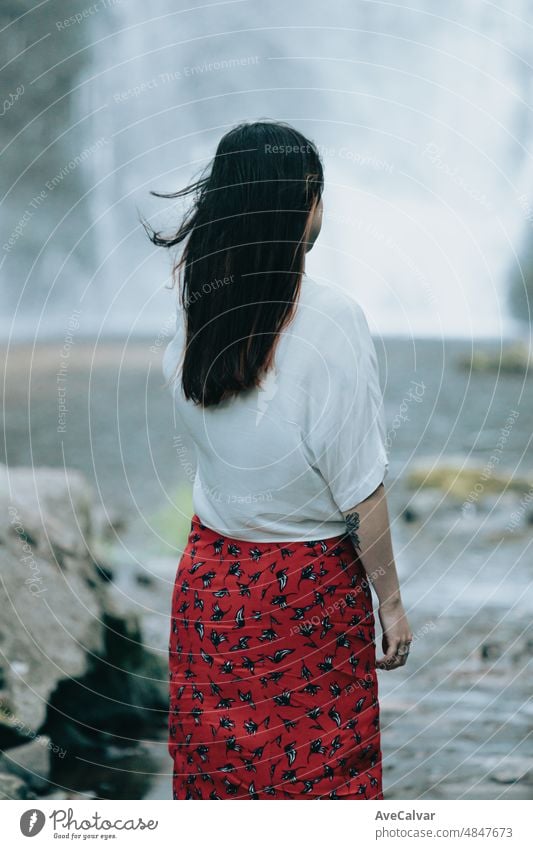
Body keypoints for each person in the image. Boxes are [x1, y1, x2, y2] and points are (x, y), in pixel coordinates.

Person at [144, 120, 412, 800]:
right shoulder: (332, 318)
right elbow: (360, 490)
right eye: (317, 192)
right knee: (319, 787)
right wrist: (392, 602)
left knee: (219, 781)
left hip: (209, 581)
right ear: (299, 208)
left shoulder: (191, 304)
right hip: (308, 591)